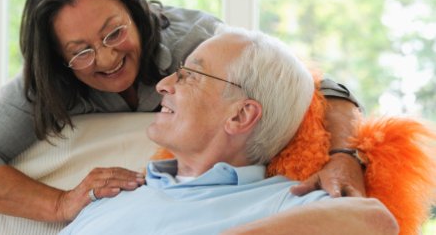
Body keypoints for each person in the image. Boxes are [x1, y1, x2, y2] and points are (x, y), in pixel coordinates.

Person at [0, 0, 365, 222]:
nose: (105, 59)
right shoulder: (51, 77)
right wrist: (60, 205)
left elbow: (311, 86)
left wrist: (346, 155)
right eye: (81, 51)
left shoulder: (196, 43)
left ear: (136, 10)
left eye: (113, 33)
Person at [59, 25, 398, 235]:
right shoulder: (117, 194)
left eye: (189, 75)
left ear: (240, 116)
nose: (163, 85)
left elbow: (376, 223)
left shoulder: (281, 201)